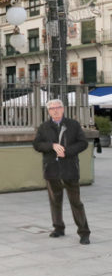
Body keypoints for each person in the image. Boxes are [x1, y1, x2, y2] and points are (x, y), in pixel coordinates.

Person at [33, 99, 90, 245]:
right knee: (55, 200)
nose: (55, 110)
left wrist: (67, 151)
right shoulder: (44, 127)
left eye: (58, 107)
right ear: (48, 111)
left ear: (63, 109)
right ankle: (58, 227)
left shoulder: (73, 125)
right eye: (52, 108)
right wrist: (51, 146)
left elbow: (83, 143)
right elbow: (37, 145)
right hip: (51, 169)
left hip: (70, 168)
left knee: (76, 202)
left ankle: (84, 233)